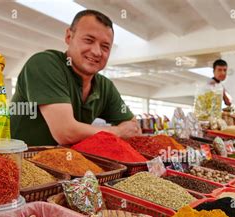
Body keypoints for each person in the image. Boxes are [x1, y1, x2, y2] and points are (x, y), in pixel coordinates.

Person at [10, 10, 141, 146]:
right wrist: (118, 131)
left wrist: (123, 130)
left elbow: (134, 128)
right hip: (19, 162)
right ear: (69, 36)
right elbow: (66, 132)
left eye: (105, 46)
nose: (96, 52)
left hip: (64, 163)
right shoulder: (45, 64)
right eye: (89, 40)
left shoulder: (104, 86)